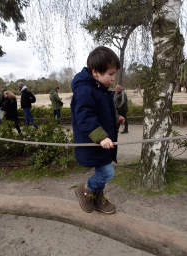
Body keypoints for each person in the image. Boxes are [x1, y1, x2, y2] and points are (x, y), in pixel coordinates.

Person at [71, 46, 125, 214]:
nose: (113, 78)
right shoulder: (85, 90)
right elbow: (85, 116)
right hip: (93, 143)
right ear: (95, 71)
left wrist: (116, 118)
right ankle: (86, 189)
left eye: (114, 73)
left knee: (103, 170)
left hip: (102, 144)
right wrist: (101, 137)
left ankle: (97, 196)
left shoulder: (98, 88)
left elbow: (101, 111)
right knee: (107, 173)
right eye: (110, 74)